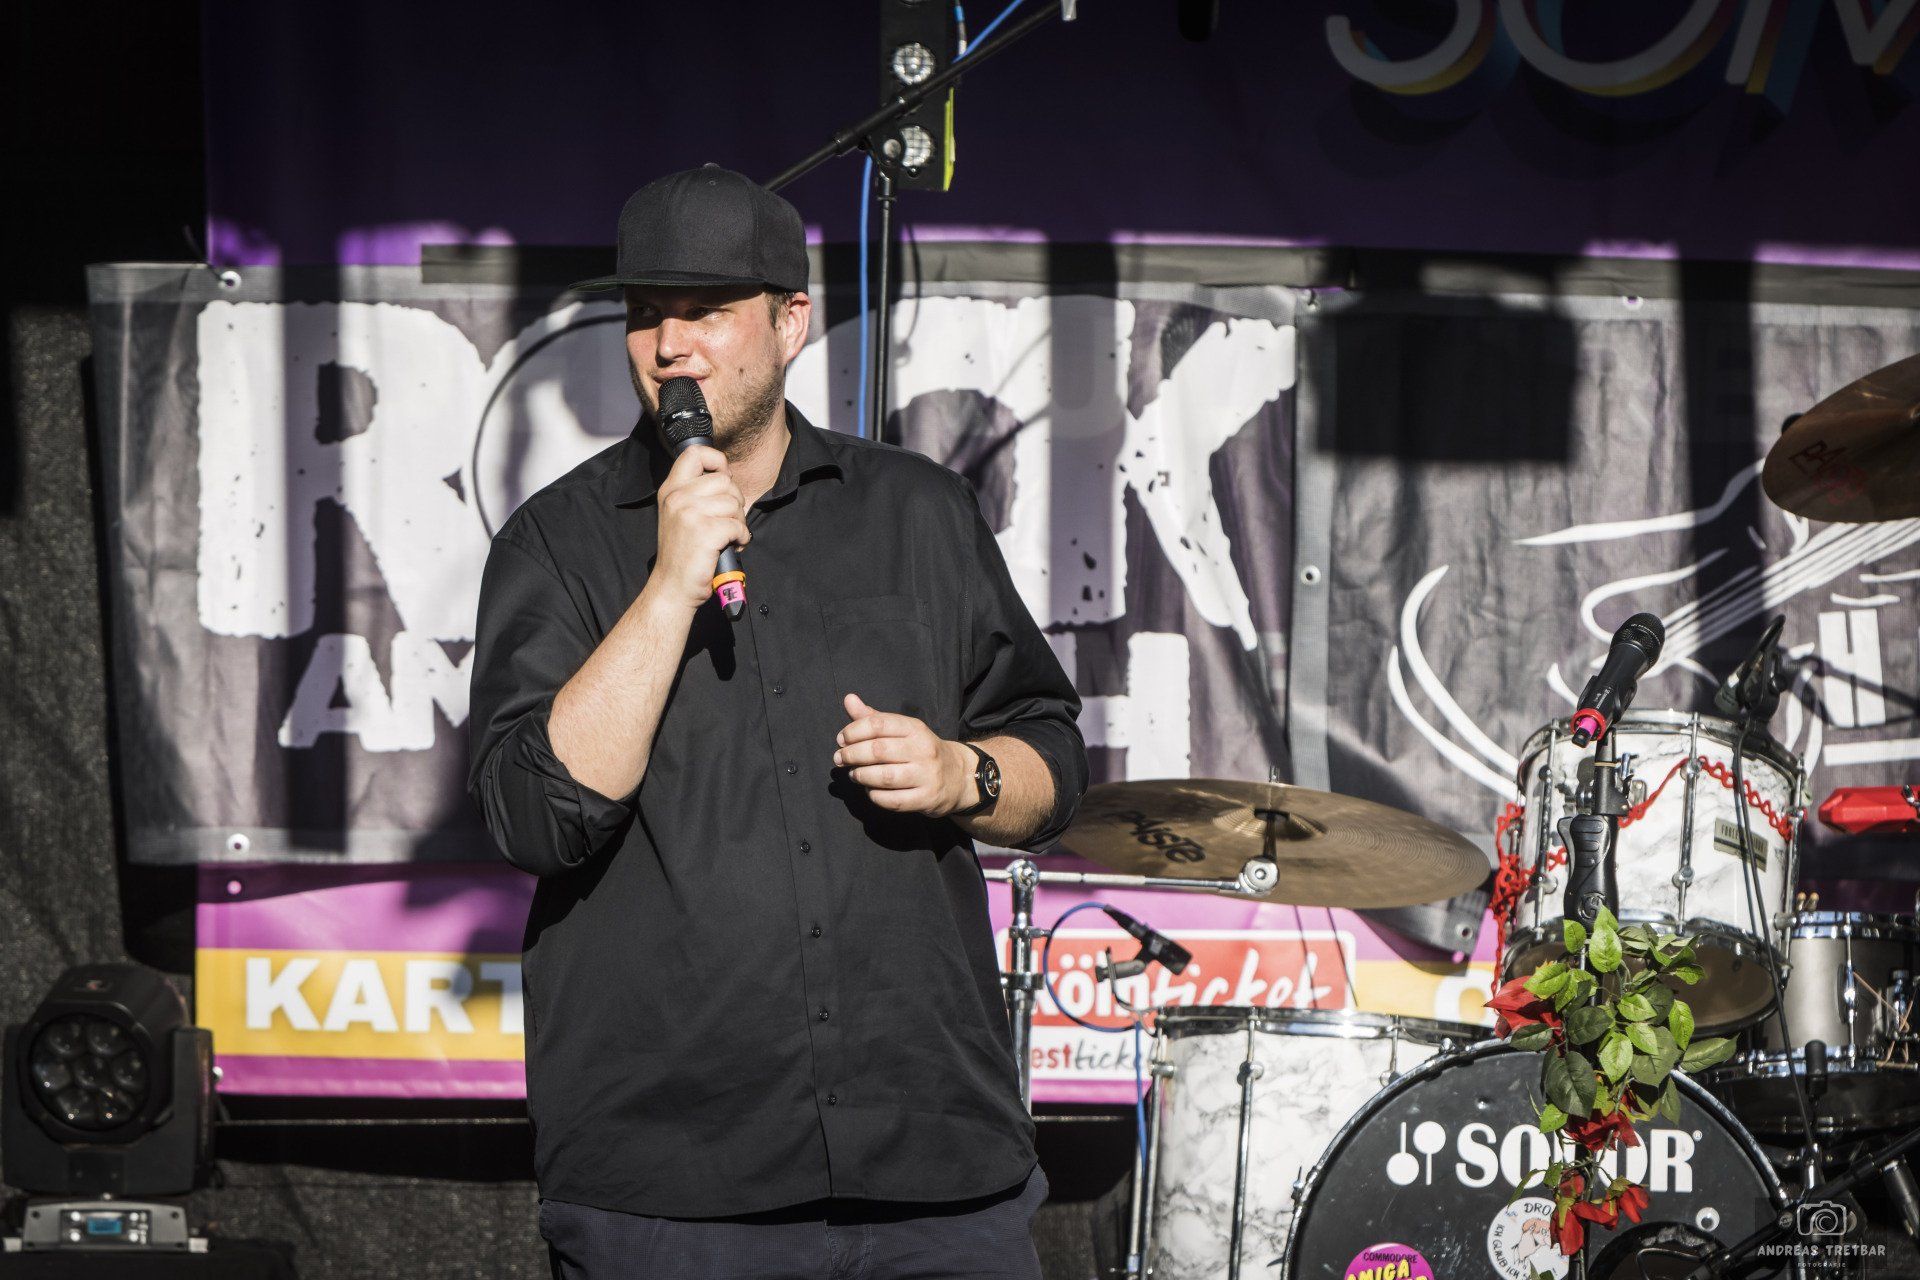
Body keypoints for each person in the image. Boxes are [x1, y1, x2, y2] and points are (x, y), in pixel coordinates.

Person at [468, 164, 1088, 1280]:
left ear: (791, 321)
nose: (671, 347)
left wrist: (964, 775)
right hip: (675, 1190)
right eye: (646, 314)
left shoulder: (917, 511)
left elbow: (1051, 754)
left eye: (706, 310)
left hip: (936, 1170)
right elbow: (535, 818)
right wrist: (668, 587)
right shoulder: (557, 541)